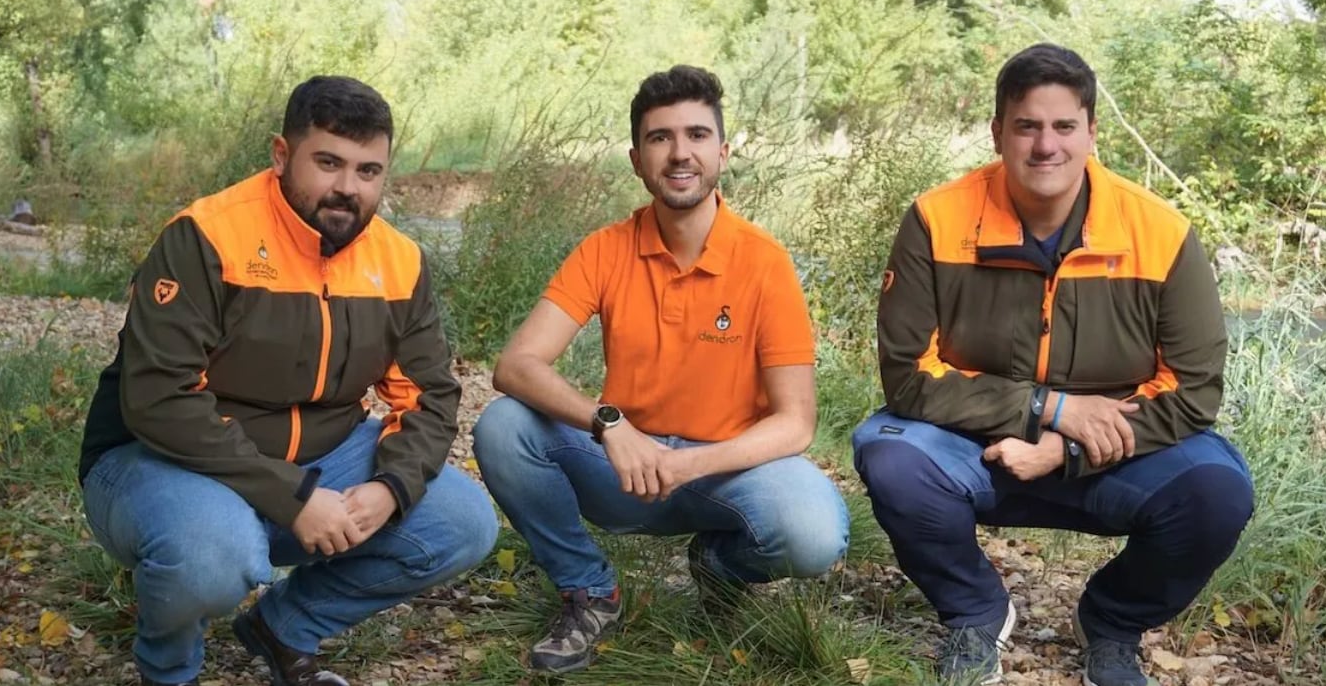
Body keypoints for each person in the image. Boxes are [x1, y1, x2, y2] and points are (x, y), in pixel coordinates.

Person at [851, 44, 1253, 686]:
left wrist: (1064, 448)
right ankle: (976, 613)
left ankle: (1112, 624)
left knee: (1217, 490)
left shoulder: (1161, 232)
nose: (1046, 146)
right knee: (888, 452)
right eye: (1027, 126)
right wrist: (1046, 409)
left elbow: (1194, 392)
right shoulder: (937, 218)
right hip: (974, 447)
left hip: (1111, 452)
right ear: (998, 132)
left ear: (1092, 132)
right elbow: (907, 374)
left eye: (1064, 126)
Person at [78, 76, 498, 686]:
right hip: (162, 460)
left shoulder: (400, 261)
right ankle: (168, 669)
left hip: (324, 457)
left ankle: (284, 628)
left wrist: (389, 487)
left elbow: (430, 396)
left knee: (463, 520)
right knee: (209, 556)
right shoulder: (206, 235)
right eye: (328, 163)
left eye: (367, 170)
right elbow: (159, 398)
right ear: (282, 155)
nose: (347, 188)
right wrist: (292, 498)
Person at [471, 65, 850, 674]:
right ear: (636, 159)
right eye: (660, 138)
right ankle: (590, 589)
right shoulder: (605, 249)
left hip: (727, 474)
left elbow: (796, 422)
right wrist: (610, 425)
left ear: (723, 152)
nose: (681, 154)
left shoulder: (764, 262)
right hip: (625, 470)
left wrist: (688, 463)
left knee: (813, 532)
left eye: (697, 135)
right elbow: (516, 364)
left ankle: (719, 567)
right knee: (503, 425)